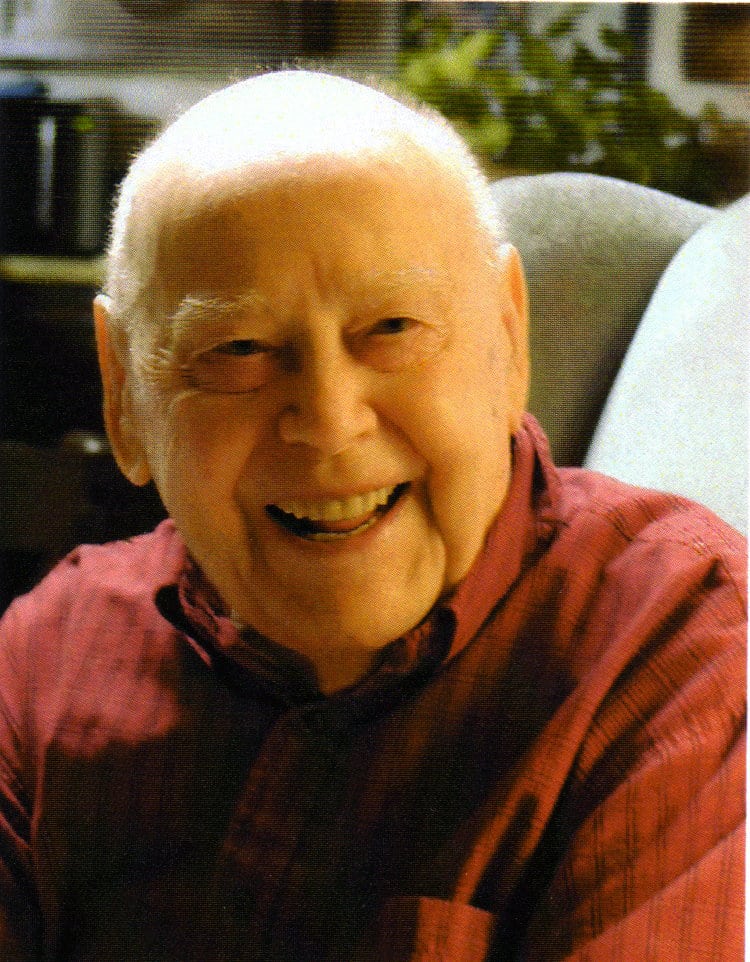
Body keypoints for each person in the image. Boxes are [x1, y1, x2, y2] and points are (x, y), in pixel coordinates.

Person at [0, 70, 744, 962]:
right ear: (124, 397)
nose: (328, 419)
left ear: (509, 339)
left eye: (392, 328)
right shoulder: (49, 655)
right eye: (237, 349)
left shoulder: (683, 649)